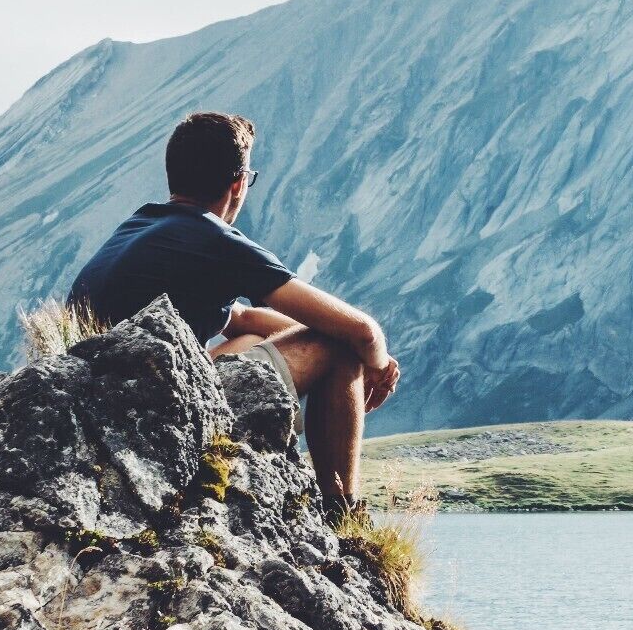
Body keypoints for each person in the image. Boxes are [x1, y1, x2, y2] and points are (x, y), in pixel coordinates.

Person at [68, 111, 399, 515]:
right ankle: (344, 511)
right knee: (344, 347)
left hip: (96, 403)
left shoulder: (142, 227)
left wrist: (321, 337)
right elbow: (363, 332)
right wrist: (377, 366)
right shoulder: (215, 239)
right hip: (152, 414)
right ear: (239, 184)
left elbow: (243, 321)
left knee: (276, 337)